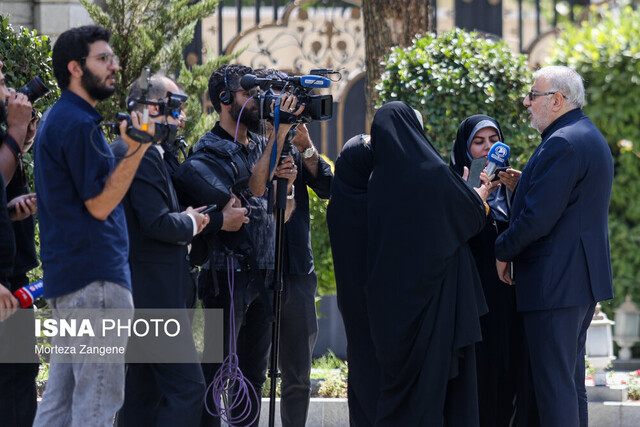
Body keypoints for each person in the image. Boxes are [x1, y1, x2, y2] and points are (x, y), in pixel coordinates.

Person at [33, 25, 153, 426]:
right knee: (98, 400)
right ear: (74, 67)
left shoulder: (57, 117)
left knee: (60, 402)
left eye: (112, 58)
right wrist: (136, 150)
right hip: (96, 282)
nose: (114, 66)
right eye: (103, 59)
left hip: (72, 280)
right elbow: (100, 205)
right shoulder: (77, 123)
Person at [173, 64, 299, 427]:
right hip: (224, 275)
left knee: (254, 376)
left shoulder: (261, 143)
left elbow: (281, 213)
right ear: (225, 100)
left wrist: (286, 184)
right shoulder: (210, 148)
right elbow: (252, 189)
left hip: (264, 271)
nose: (257, 100)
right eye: (248, 93)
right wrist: (278, 138)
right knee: (216, 374)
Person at [494, 65, 614, 427]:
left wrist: (501, 250)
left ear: (557, 100)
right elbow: (567, 202)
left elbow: (537, 220)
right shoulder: (586, 134)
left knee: (554, 389)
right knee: (568, 385)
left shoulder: (562, 141)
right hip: (575, 282)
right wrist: (525, 184)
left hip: (555, 284)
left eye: (533, 95)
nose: (527, 102)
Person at [366, 101, 497, 425]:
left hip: (391, 307)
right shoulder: (434, 173)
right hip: (434, 305)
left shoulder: (376, 181)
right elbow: (468, 216)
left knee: (398, 391)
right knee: (436, 389)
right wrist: (478, 194)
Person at [111, 75, 211, 427]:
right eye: (176, 108)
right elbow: (154, 223)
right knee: (187, 389)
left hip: (145, 294)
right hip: (153, 297)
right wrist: (190, 223)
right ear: (154, 108)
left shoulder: (137, 148)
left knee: (144, 393)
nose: (180, 118)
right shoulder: (139, 150)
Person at [251, 68, 333, 426]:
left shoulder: (296, 147)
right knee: (249, 368)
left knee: (298, 372)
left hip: (297, 267)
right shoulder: (246, 143)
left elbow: (329, 186)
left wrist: (307, 147)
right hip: (254, 267)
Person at [451, 115, 539, 426]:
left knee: (510, 372)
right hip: (472, 299)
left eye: (493, 141)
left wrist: (519, 192)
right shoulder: (452, 183)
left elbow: (530, 232)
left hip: (510, 298)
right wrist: (471, 197)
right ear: (465, 148)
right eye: (479, 142)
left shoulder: (516, 186)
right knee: (478, 376)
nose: (488, 150)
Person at [327, 133, 379, 427]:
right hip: (376, 303)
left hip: (352, 302)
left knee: (360, 364)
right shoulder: (374, 204)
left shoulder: (341, 199)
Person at [0, 58, 40, 427]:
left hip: (13, 277)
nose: (10, 91)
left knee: (19, 374)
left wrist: (19, 141)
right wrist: (14, 129)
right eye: (0, 82)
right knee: (14, 378)